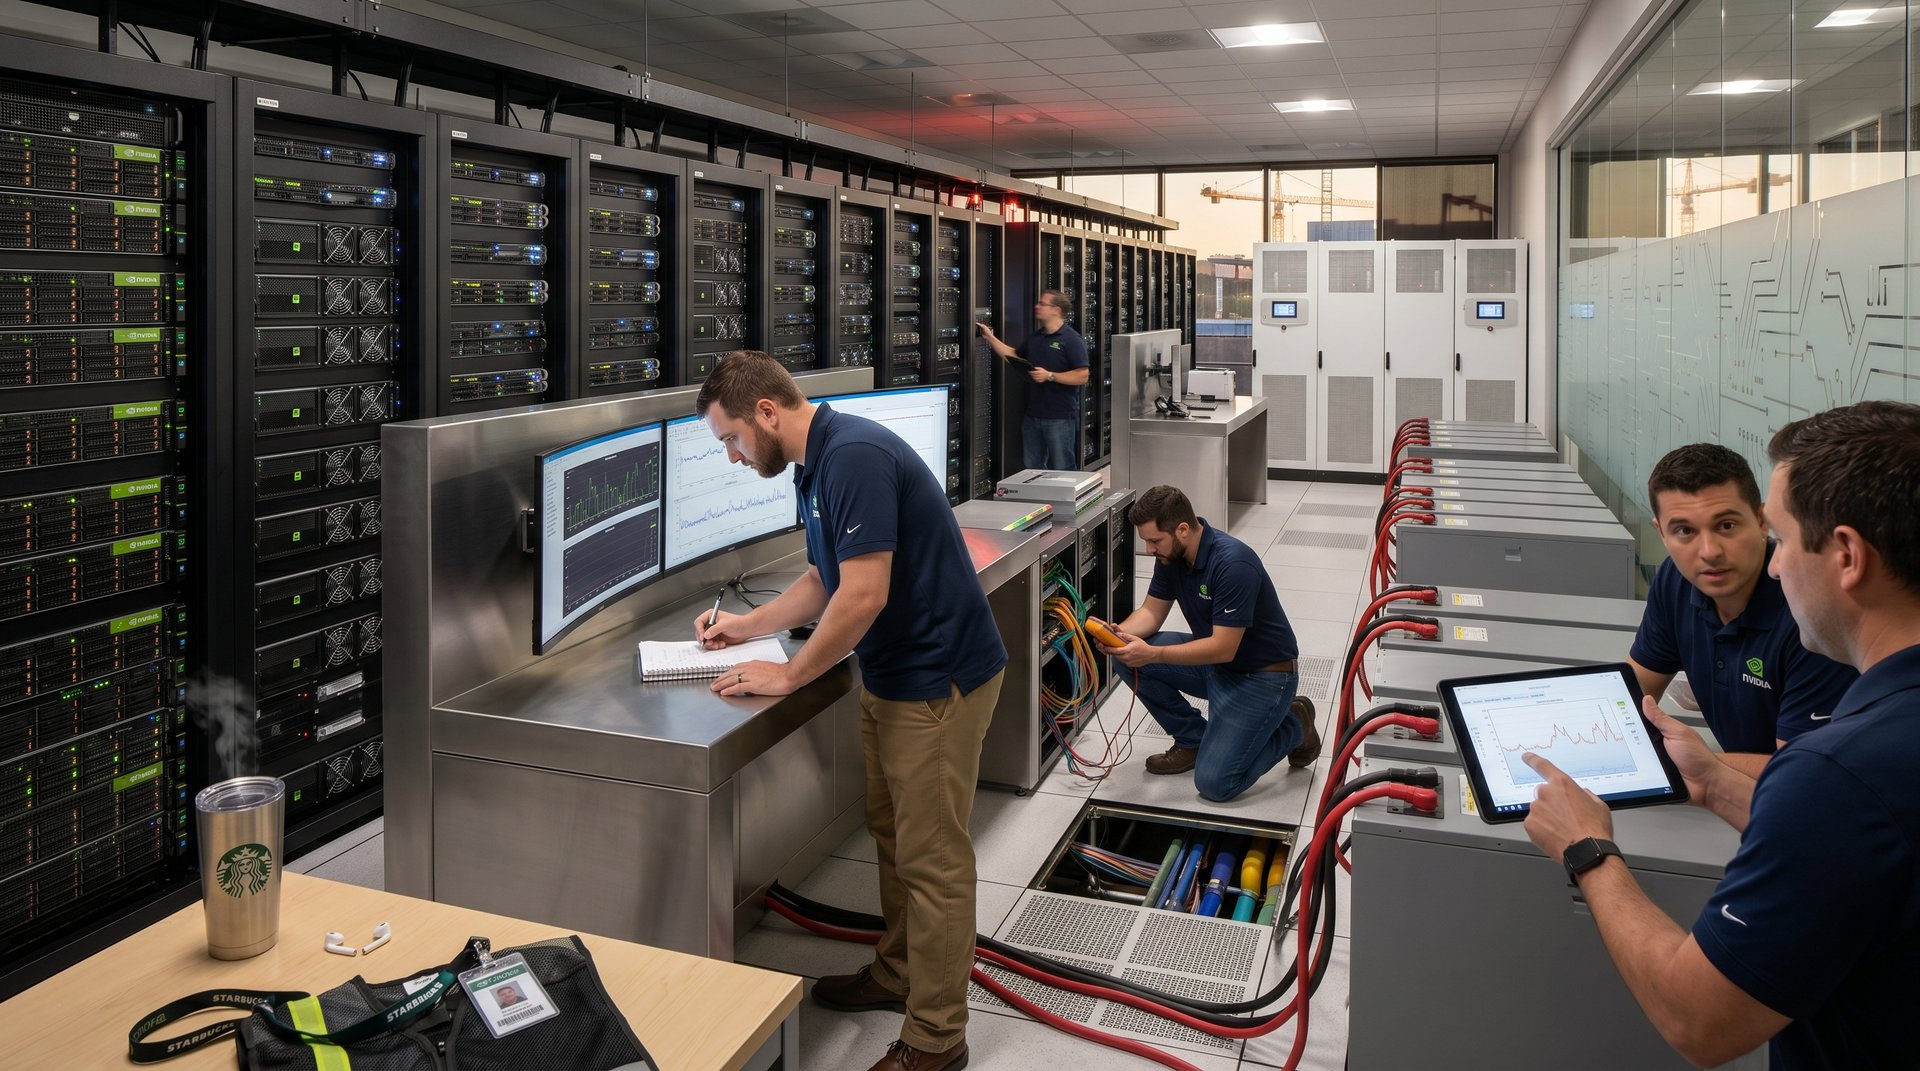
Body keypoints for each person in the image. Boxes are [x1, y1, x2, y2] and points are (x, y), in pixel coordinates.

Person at [1523, 401, 1920, 1069]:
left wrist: (1585, 848)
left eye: (1784, 539)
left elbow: (1697, 1018)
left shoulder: (1835, 775)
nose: (1772, 565)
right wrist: (1708, 779)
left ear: (1848, 554)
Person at [691, 350, 1006, 1071]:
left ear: (765, 412)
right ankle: (898, 972)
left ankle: (935, 1039)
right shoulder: (819, 461)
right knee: (893, 832)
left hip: (936, 681)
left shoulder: (854, 455)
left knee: (933, 861)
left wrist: (791, 673)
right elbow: (822, 576)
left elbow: (862, 594)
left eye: (731, 439)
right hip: (893, 674)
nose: (735, 457)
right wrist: (750, 623)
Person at [1628, 443, 1857, 775]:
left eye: (1726, 526)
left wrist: (1694, 761)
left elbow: (1806, 770)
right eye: (1685, 531)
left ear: (1761, 521)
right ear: (1661, 532)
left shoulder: (1810, 611)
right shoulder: (1675, 581)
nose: (1709, 552)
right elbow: (1634, 690)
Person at [1096, 485, 1319, 801]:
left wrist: (1153, 653)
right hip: (1218, 666)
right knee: (1127, 656)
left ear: (1183, 530)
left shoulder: (1233, 563)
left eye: (1154, 541)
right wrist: (1120, 635)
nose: (1149, 550)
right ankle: (1192, 740)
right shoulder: (1171, 558)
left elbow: (1223, 646)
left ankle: (1296, 722)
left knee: (1216, 784)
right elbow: (1151, 612)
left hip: (1263, 677)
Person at [975, 289, 1089, 471]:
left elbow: (1082, 375)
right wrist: (989, 337)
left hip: (1059, 417)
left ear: (1056, 310)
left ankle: (1065, 500)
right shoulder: (1036, 337)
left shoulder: (1071, 340)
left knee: (1063, 467)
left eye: (1043, 304)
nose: (1037, 306)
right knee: (1032, 469)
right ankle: (1040, 500)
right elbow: (1013, 356)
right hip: (1033, 416)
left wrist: (1050, 375)